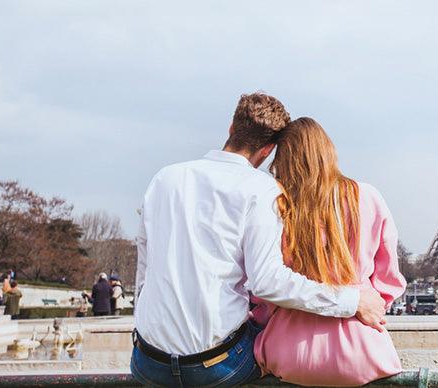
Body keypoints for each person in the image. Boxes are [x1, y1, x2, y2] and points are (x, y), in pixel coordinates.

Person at [130, 93, 386, 388]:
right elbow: (268, 283)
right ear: (268, 151)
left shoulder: (165, 178)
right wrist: (352, 300)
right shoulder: (261, 190)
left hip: (148, 362)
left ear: (230, 128)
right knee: (271, 338)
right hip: (215, 367)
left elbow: (145, 270)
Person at [252, 117, 406, 386]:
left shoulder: (278, 205)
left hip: (288, 353)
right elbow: (389, 281)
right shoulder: (367, 196)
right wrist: (365, 306)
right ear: (328, 151)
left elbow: (264, 288)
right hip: (359, 351)